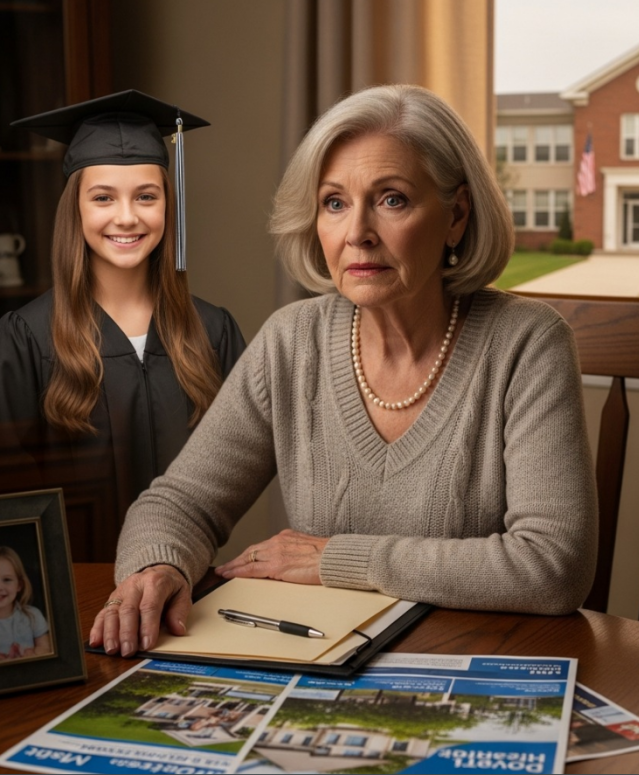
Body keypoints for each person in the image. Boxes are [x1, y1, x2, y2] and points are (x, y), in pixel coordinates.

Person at [90, 84, 598, 657]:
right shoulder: (292, 341)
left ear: (455, 217)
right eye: (334, 203)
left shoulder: (528, 343)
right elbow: (181, 502)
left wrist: (337, 560)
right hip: (319, 661)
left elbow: (553, 563)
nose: (357, 231)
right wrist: (159, 565)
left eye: (392, 199)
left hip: (474, 664)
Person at [0, 92, 246, 557]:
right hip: (79, 593)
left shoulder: (212, 332)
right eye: (103, 197)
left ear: (167, 206)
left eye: (146, 196)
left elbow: (250, 462)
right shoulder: (25, 340)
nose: (127, 216)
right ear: (75, 208)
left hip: (191, 584)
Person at [0, 546, 51, 660]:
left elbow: (45, 647)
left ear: (19, 585)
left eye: (7, 580)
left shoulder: (33, 615)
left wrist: (33, 656)